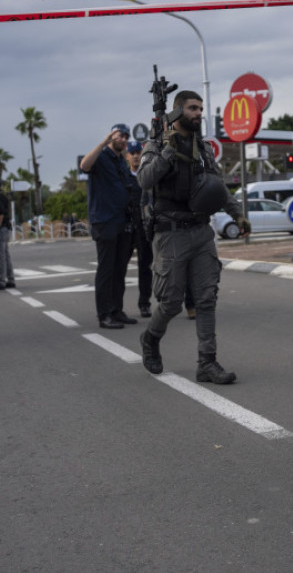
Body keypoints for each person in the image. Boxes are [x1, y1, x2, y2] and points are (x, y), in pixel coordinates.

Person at [137, 90, 249, 384]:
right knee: (172, 302)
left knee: (206, 298)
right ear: (176, 112)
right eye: (192, 108)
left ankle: (207, 363)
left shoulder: (203, 147)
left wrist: (237, 214)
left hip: (201, 231)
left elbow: (217, 185)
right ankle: (150, 338)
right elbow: (144, 180)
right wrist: (168, 152)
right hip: (171, 233)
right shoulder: (157, 143)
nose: (199, 113)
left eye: (200, 108)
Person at [80, 123, 139, 329]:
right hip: (104, 221)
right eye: (118, 135)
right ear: (111, 136)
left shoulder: (121, 161)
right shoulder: (102, 156)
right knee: (106, 270)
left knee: (120, 269)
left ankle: (116, 310)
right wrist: (103, 143)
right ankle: (104, 314)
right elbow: (85, 166)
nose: (122, 138)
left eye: (125, 136)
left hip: (122, 221)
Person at [125, 140, 153, 318]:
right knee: (120, 266)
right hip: (127, 227)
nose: (135, 156)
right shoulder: (122, 176)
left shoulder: (147, 175)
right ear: (127, 156)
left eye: (138, 153)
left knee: (145, 267)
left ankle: (145, 303)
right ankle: (116, 307)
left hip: (144, 227)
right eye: (132, 153)